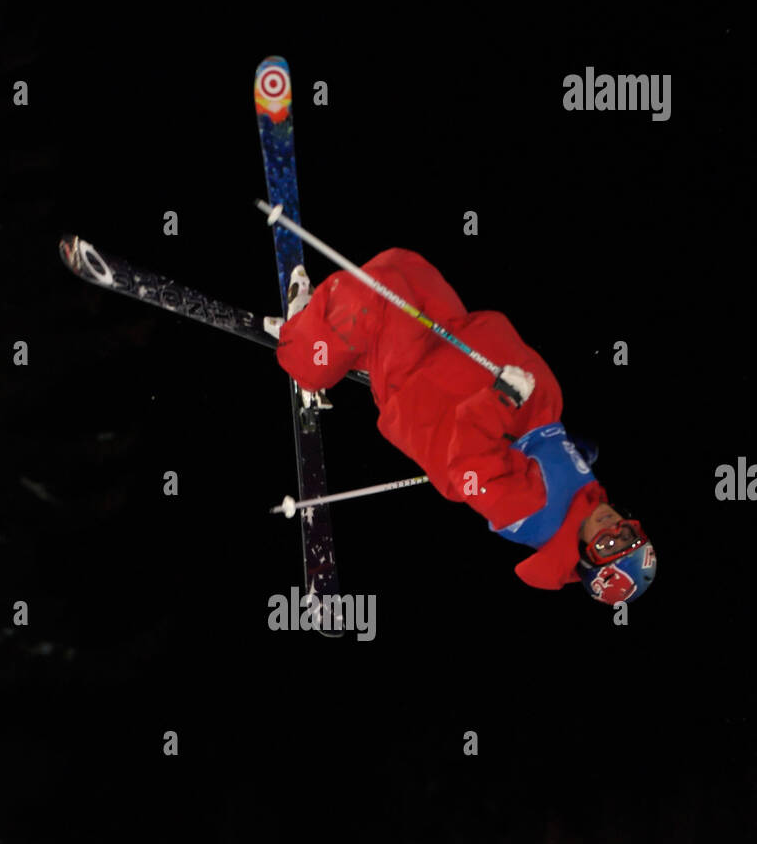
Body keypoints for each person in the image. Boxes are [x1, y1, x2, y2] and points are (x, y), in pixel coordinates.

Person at [266, 254, 655, 604]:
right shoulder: (584, 499)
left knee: (383, 291)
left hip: (428, 392)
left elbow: (468, 467)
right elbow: (538, 453)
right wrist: (573, 449)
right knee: (411, 271)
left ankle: (304, 349)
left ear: (586, 559)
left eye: (608, 545)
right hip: (457, 346)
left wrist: (502, 399)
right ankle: (355, 349)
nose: (613, 529)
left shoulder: (534, 514)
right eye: (628, 534)